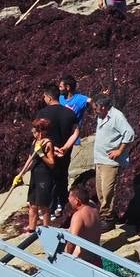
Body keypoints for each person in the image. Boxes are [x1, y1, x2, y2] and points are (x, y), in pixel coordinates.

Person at [91, 94, 136, 230]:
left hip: (110, 161)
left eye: (96, 108)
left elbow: (130, 133)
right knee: (99, 191)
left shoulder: (117, 116)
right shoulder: (101, 115)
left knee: (107, 190)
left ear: (104, 107)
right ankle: (107, 215)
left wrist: (119, 151)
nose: (94, 111)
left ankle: (107, 219)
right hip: (99, 159)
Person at [36, 83, 79, 219]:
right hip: (64, 152)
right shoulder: (69, 112)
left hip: (50, 151)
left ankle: (50, 208)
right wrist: (65, 147)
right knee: (63, 176)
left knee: (49, 179)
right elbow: (76, 132)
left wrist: (52, 147)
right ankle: (62, 204)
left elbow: (38, 134)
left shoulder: (43, 113)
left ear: (48, 97)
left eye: (44, 96)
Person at [13, 118, 57, 232]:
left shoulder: (48, 143)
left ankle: (47, 229)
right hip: (35, 176)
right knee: (32, 204)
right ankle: (32, 227)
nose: (33, 132)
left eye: (35, 130)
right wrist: (21, 174)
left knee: (43, 206)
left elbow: (52, 163)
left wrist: (42, 154)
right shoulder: (34, 142)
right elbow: (30, 160)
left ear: (41, 131)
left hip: (45, 177)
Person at [64, 186, 102, 264]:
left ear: (77, 201)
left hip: (82, 260)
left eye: (70, 198)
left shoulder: (79, 215)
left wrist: (66, 257)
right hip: (95, 258)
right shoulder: (95, 210)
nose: (68, 200)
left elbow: (72, 241)